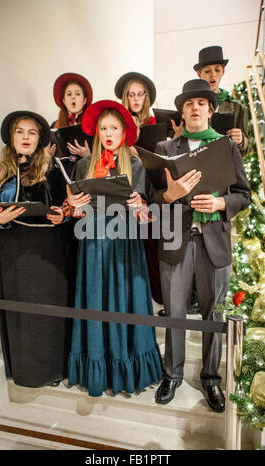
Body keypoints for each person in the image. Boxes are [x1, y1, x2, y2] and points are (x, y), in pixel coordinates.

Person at [151, 79, 251, 412]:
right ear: (182, 111)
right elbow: (152, 198)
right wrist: (169, 195)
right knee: (174, 313)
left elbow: (243, 195)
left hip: (214, 243)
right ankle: (172, 375)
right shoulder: (165, 150)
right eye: (189, 103)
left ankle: (211, 379)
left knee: (213, 314)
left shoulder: (226, 147)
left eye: (201, 103)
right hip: (176, 241)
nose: (195, 107)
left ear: (210, 110)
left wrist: (222, 204)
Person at [65, 100, 163, 397]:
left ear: (124, 132)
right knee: (95, 300)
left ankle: (127, 366)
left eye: (114, 128)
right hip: (92, 244)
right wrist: (75, 207)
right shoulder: (83, 165)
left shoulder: (135, 166)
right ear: (97, 131)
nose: (109, 133)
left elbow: (147, 217)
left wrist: (140, 206)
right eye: (104, 128)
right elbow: (75, 213)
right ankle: (97, 366)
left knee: (126, 302)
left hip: (125, 245)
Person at [0, 110, 72, 388]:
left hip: (50, 252)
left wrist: (63, 216)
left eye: (32, 133)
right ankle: (25, 370)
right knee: (22, 314)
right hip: (16, 252)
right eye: (20, 131)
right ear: (11, 137)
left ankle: (53, 370)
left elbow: (69, 207)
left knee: (50, 313)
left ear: (39, 139)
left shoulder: (54, 168)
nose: (25, 137)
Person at [115, 72, 164, 310]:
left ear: (147, 97)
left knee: (152, 245)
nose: (136, 99)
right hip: (126, 191)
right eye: (131, 94)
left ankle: (153, 299)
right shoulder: (117, 124)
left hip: (151, 189)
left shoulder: (154, 125)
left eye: (140, 94)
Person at [194, 45, 251, 157]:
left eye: (217, 70)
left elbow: (247, 149)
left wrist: (241, 140)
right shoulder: (191, 105)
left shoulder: (236, 107)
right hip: (199, 167)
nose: (213, 75)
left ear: (223, 71)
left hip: (226, 167)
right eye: (207, 71)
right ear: (199, 74)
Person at [49, 72, 93, 175]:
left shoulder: (94, 125)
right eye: (69, 94)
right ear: (64, 100)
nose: (73, 98)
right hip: (62, 178)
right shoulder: (54, 126)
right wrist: (48, 156)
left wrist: (88, 155)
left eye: (77, 94)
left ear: (84, 100)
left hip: (87, 175)